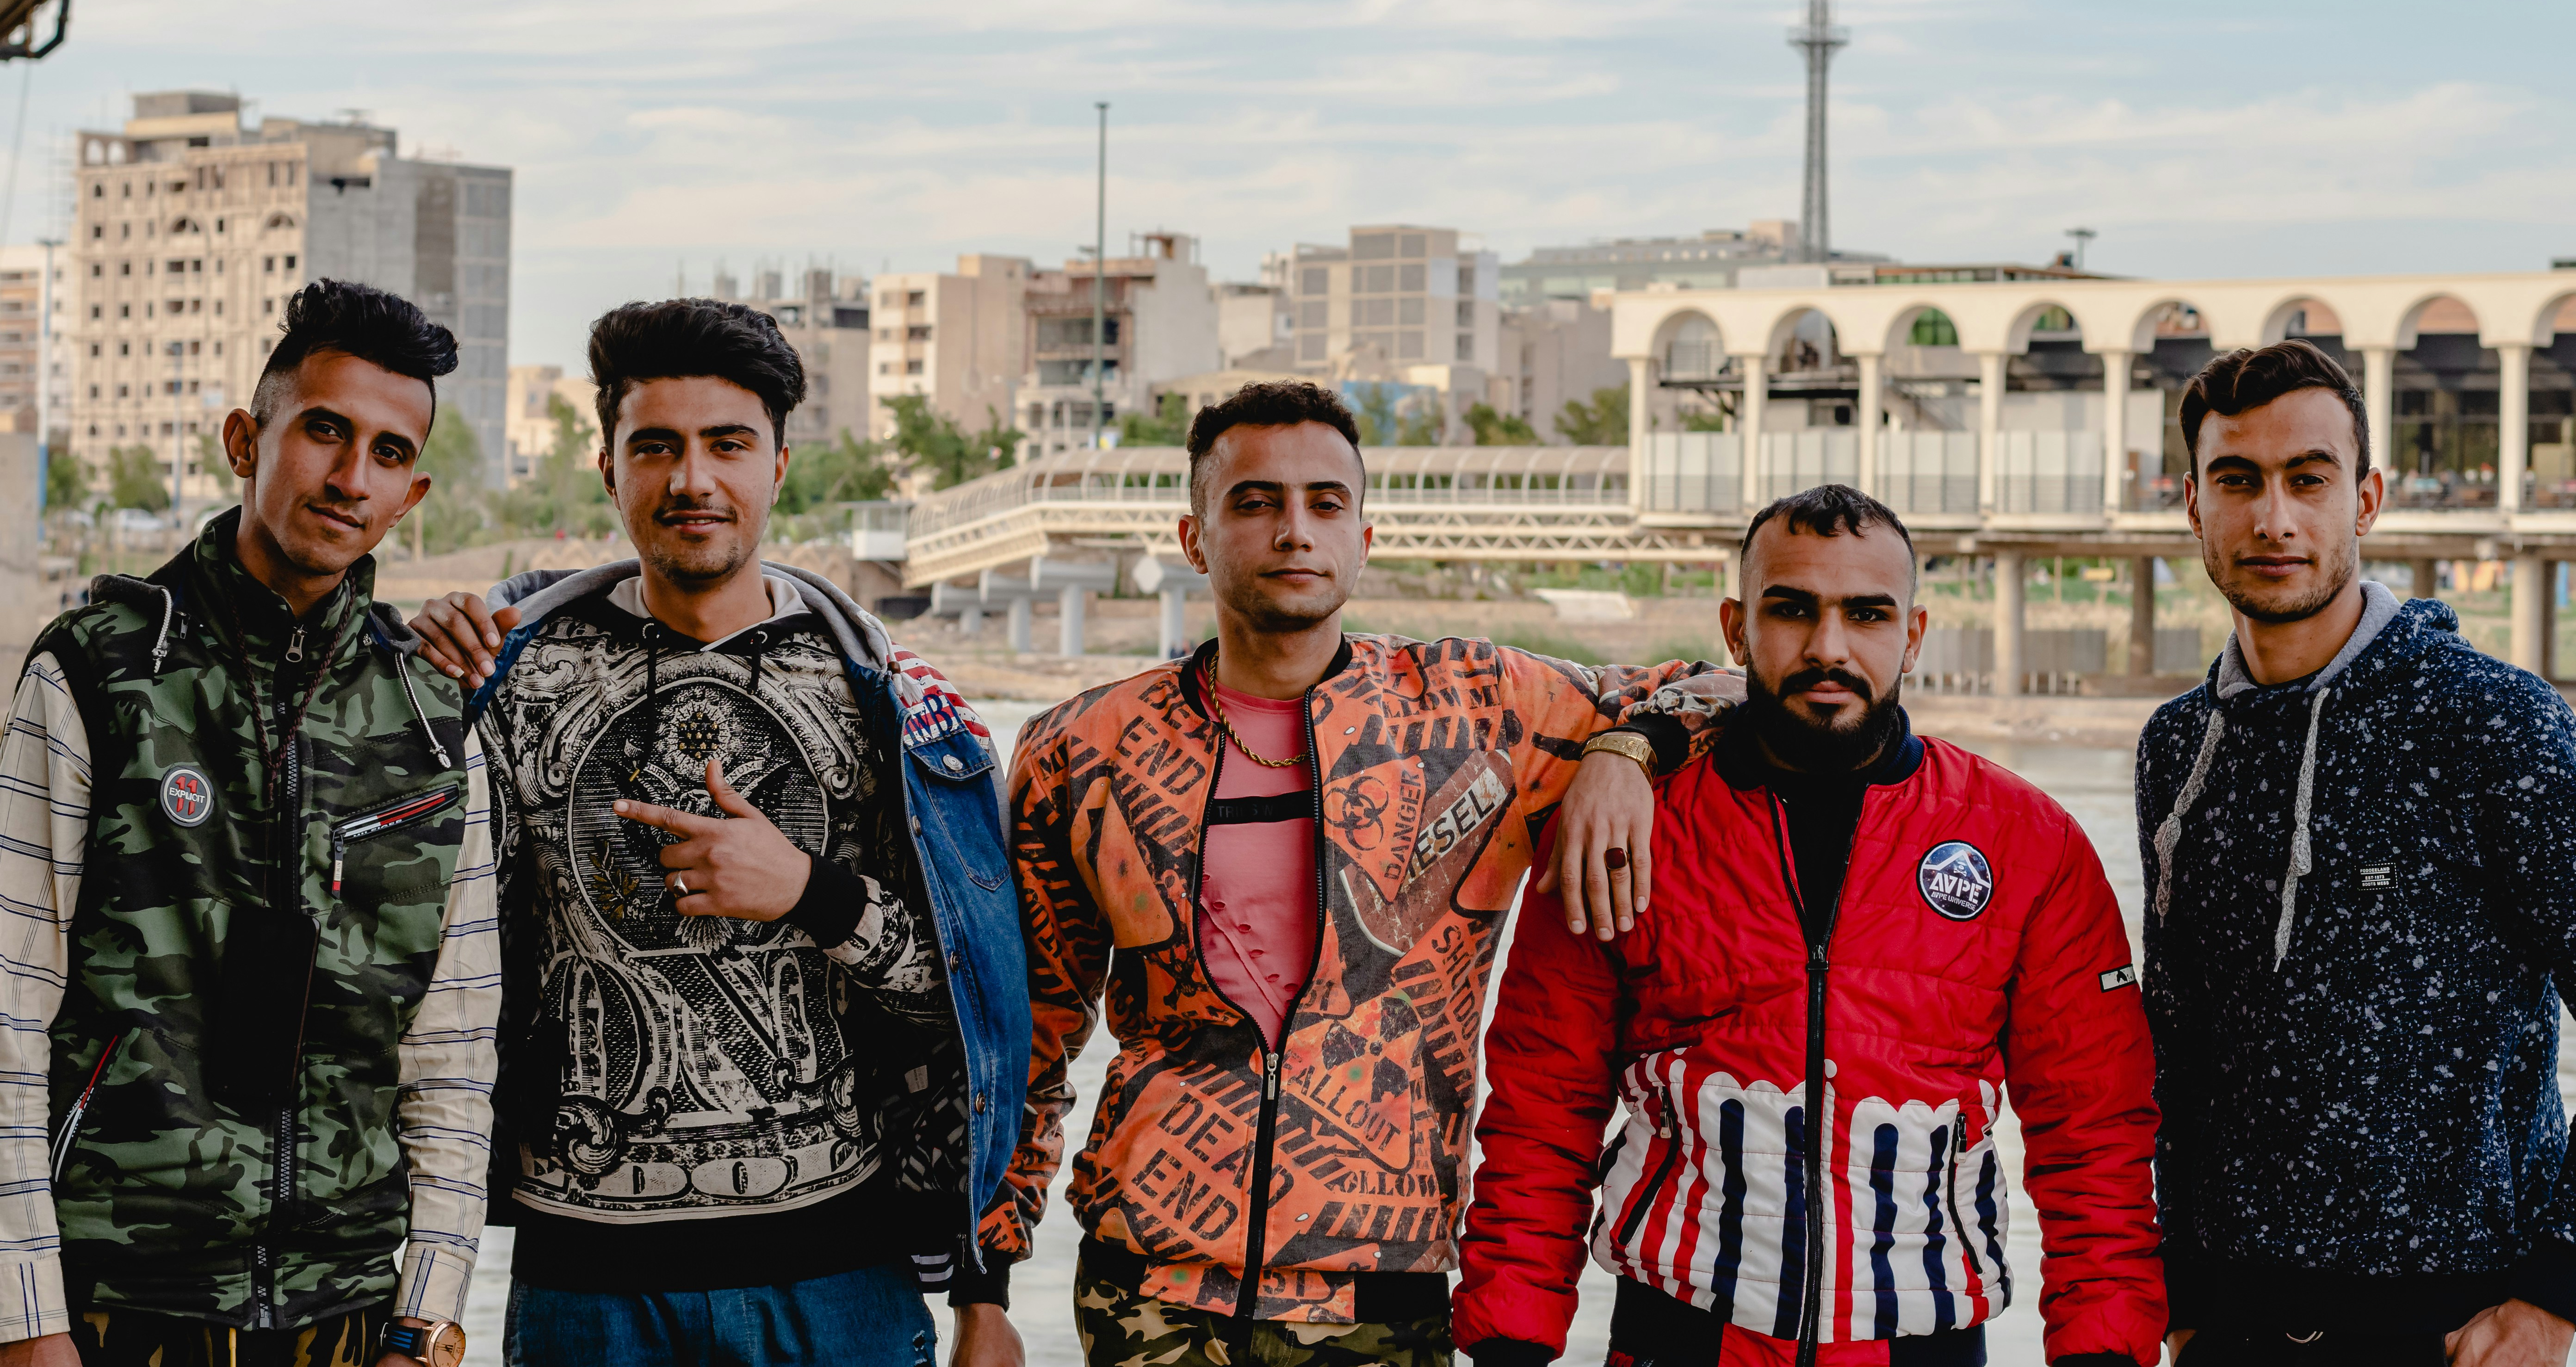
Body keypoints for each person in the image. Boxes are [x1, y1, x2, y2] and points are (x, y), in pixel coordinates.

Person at [950, 378, 1743, 1367]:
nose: (1295, 530)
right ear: (1194, 537)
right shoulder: (1083, 747)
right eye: (1255, 501)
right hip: (1142, 1285)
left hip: (1381, 1287)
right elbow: (1024, 1039)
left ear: (1365, 535)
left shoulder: (1481, 711)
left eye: (1326, 504)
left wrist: (1628, 754)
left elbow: (1738, 685)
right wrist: (984, 1287)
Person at [404, 298, 1026, 1366]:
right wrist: (418, 680)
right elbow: (434, 988)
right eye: (658, 446)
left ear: (779, 462)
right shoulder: (502, 681)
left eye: (727, 444)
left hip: (839, 1280)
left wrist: (811, 892)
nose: (693, 478)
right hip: (585, 1285)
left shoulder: (885, 696)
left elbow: (972, 1001)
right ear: (610, 469)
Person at [1455, 484, 2165, 1367]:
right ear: (1737, 628)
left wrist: (2105, 1353)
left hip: (1924, 1347)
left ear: (1912, 635)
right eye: (1791, 611)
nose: (1828, 647)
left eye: (1867, 615)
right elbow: (1540, 1113)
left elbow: (2094, 1137)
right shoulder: (1624, 829)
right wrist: (1507, 1343)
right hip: (1678, 1341)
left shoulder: (2028, 840)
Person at [0, 281, 497, 1367]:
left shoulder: (433, 712)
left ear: (410, 496)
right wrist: (25, 1316)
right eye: (324, 430)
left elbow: (452, 1051)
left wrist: (430, 1312)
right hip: (117, 1299)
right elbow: (7, 1011)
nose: (348, 476)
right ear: (247, 437)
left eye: (384, 451)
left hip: (352, 1314)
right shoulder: (101, 668)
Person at [2138, 340, 2576, 1366]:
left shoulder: (2496, 722)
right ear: (2193, 503)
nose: (2274, 517)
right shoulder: (2178, 744)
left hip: (2453, 1326)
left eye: (2309, 478)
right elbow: (2181, 1034)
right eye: (2238, 481)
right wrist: (2187, 1289)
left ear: (2367, 497)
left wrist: (2558, 1293)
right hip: (2231, 1323)